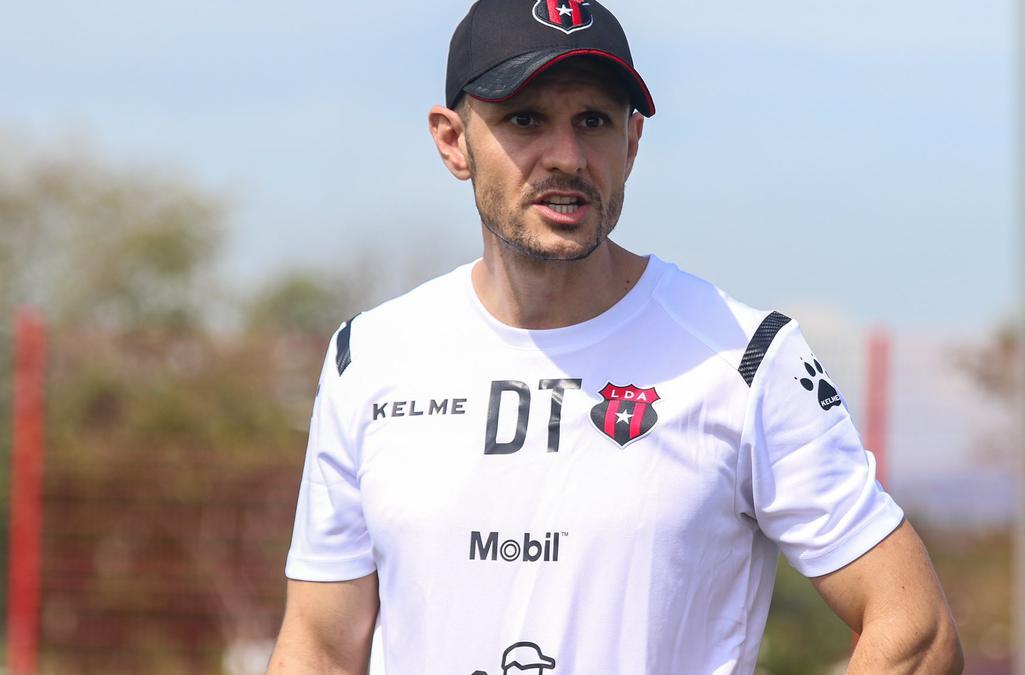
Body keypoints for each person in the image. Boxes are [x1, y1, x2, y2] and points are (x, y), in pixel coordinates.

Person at [267, 1, 963, 672]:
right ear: (453, 141)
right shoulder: (371, 355)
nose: (566, 155)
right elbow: (320, 649)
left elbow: (915, 628)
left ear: (631, 144)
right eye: (526, 118)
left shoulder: (745, 356)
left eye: (594, 120)